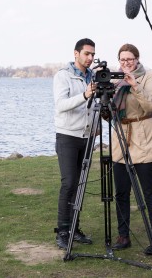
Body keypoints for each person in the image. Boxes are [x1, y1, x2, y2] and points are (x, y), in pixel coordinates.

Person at [109, 43, 152, 255]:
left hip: (145, 137)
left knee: (150, 192)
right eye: (123, 60)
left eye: (130, 59)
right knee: (121, 192)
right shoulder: (115, 79)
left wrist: (135, 86)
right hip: (121, 138)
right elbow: (110, 110)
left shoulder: (148, 77)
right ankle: (123, 236)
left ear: (137, 59)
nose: (126, 63)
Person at [53, 38, 97, 249]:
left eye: (92, 55)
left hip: (87, 137)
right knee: (69, 183)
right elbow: (61, 105)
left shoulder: (94, 77)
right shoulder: (63, 76)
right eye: (86, 54)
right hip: (67, 136)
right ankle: (62, 231)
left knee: (80, 185)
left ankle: (74, 228)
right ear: (76, 54)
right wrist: (85, 94)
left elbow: (94, 106)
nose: (90, 58)